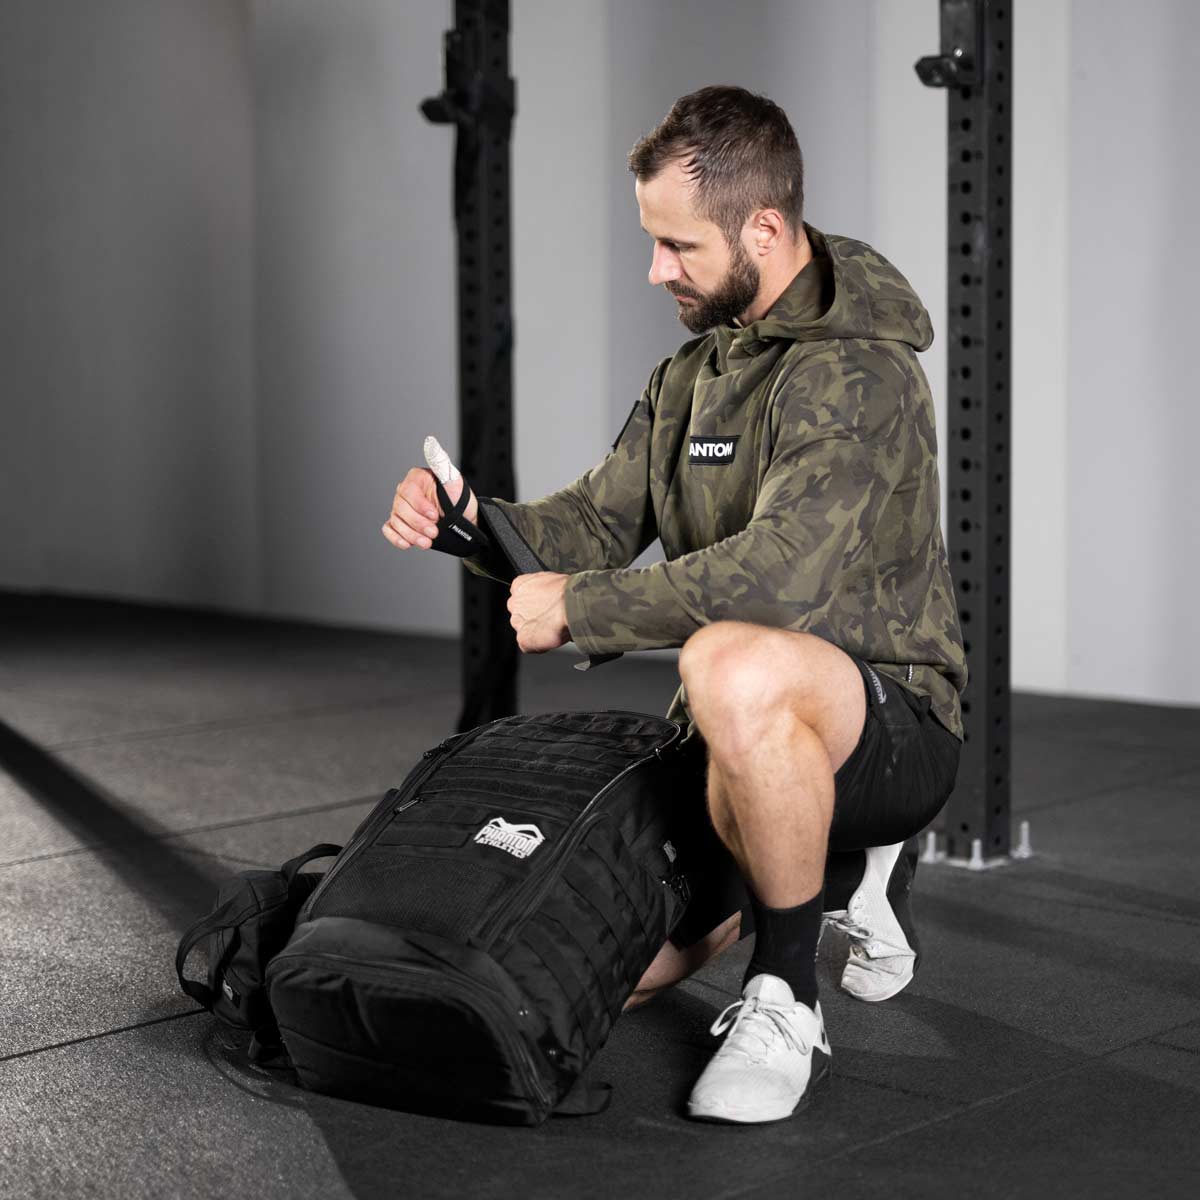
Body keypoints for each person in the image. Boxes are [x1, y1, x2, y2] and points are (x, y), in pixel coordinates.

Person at [382, 85, 966, 1124]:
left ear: (765, 230)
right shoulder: (690, 374)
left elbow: (778, 578)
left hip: (888, 722)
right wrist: (470, 524)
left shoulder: (862, 375)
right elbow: (592, 524)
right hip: (737, 731)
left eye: (678, 246)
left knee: (730, 658)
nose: (657, 270)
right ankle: (840, 874)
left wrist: (584, 610)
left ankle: (786, 995)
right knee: (616, 967)